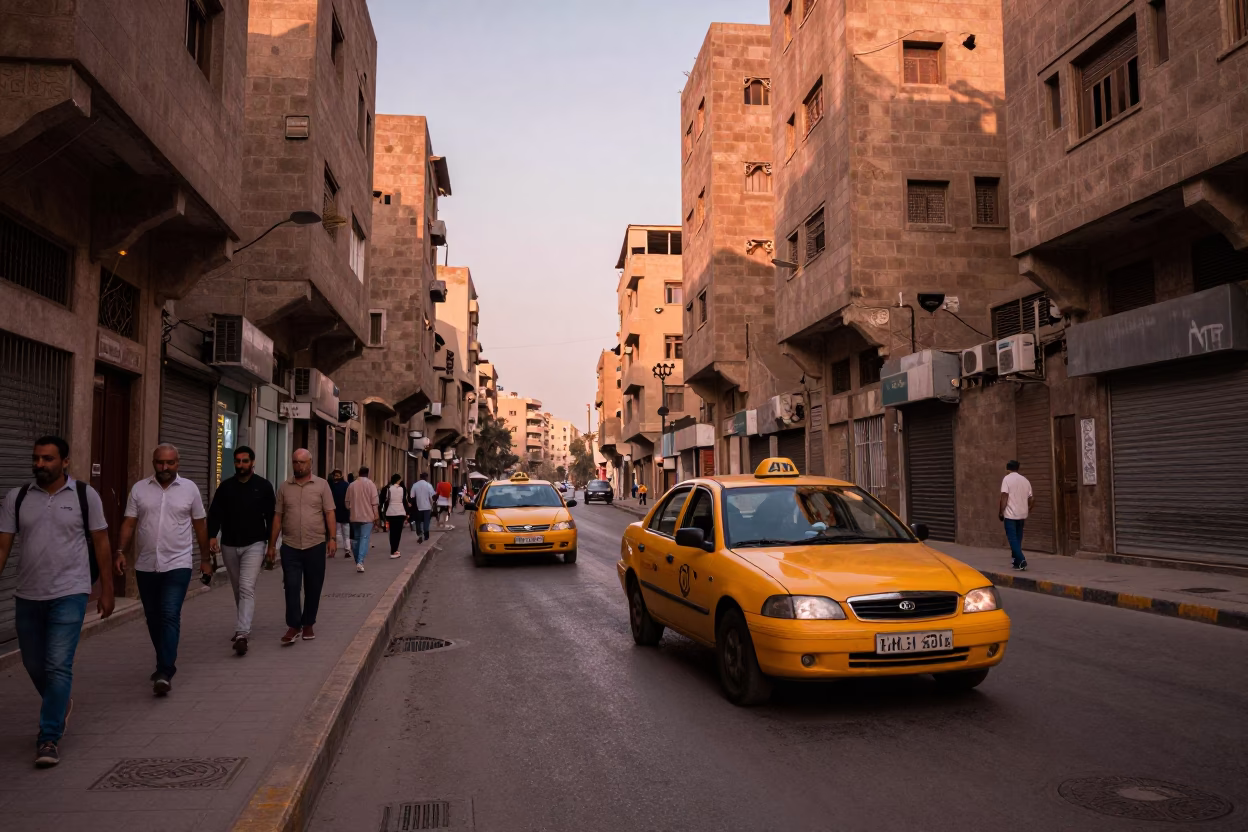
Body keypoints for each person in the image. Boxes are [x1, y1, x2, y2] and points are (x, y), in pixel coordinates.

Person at [0, 436, 113, 768]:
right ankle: (60, 703)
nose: (40, 464)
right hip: (28, 593)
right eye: (36, 458)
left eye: (48, 459)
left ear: (65, 462)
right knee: (33, 664)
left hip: (70, 591)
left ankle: (48, 737)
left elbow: (101, 543)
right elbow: (3, 546)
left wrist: (107, 589)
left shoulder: (84, 496)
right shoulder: (18, 497)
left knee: (58, 665)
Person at [116, 444, 210, 696]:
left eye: (170, 463)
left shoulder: (190, 489)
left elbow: (200, 525)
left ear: (178, 463)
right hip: (146, 564)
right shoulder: (139, 489)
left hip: (178, 563)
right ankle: (163, 661)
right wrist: (120, 551)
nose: (164, 467)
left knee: (169, 613)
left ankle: (165, 670)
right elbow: (129, 522)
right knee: (153, 616)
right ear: (153, 462)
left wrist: (205, 559)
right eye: (160, 462)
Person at [206, 446, 275, 656]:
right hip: (229, 544)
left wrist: (271, 545)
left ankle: (242, 633)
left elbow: (272, 517)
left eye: (245, 461)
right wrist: (212, 536)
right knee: (238, 588)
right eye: (238, 461)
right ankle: (243, 623)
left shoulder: (263, 486)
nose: (241, 465)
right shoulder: (226, 487)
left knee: (246, 586)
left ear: (252, 462)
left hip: (255, 544)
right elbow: (215, 513)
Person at [268, 449, 337, 644]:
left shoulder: (322, 485)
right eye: (295, 462)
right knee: (291, 585)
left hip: (315, 544)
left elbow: (330, 513)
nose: (298, 466)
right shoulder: (284, 487)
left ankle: (308, 623)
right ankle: (293, 625)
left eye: (302, 462)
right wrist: (271, 545)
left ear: (310, 463)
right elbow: (278, 517)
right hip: (290, 545)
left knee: (313, 586)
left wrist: (332, 538)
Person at [999, 460, 1034, 571]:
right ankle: (1017, 562)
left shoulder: (1007, 479)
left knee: (1012, 539)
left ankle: (1022, 560)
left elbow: (1004, 496)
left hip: (1010, 515)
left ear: (1007, 469)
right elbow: (1032, 498)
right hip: (1022, 514)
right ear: (1017, 469)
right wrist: (1028, 509)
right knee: (1018, 538)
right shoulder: (1025, 480)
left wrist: (1001, 511)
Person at [344, 466, 379, 571]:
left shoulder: (351, 485)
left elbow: (346, 502)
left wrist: (351, 508)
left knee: (356, 538)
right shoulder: (371, 485)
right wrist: (376, 515)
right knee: (364, 538)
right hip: (367, 517)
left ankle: (357, 560)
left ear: (359, 473)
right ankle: (360, 561)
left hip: (355, 516)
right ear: (368, 473)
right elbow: (374, 502)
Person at [381, 474, 410, 559]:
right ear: (398, 480)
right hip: (400, 512)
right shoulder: (402, 489)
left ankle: (393, 550)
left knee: (392, 532)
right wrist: (407, 512)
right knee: (398, 532)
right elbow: (404, 501)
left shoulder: (387, 489)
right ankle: (395, 549)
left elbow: (383, 501)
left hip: (390, 512)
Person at [329, 469, 351, 561]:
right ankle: (347, 550)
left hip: (336, 512)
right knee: (346, 533)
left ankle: (335, 550)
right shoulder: (346, 485)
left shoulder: (332, 486)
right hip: (345, 512)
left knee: (337, 532)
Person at [409, 473, 435, 543]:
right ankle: (426, 534)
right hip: (427, 507)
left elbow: (412, 496)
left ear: (420, 477)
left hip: (418, 507)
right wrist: (432, 505)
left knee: (418, 521)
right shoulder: (428, 485)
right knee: (426, 521)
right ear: (426, 477)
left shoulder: (415, 485)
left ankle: (420, 534)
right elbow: (432, 497)